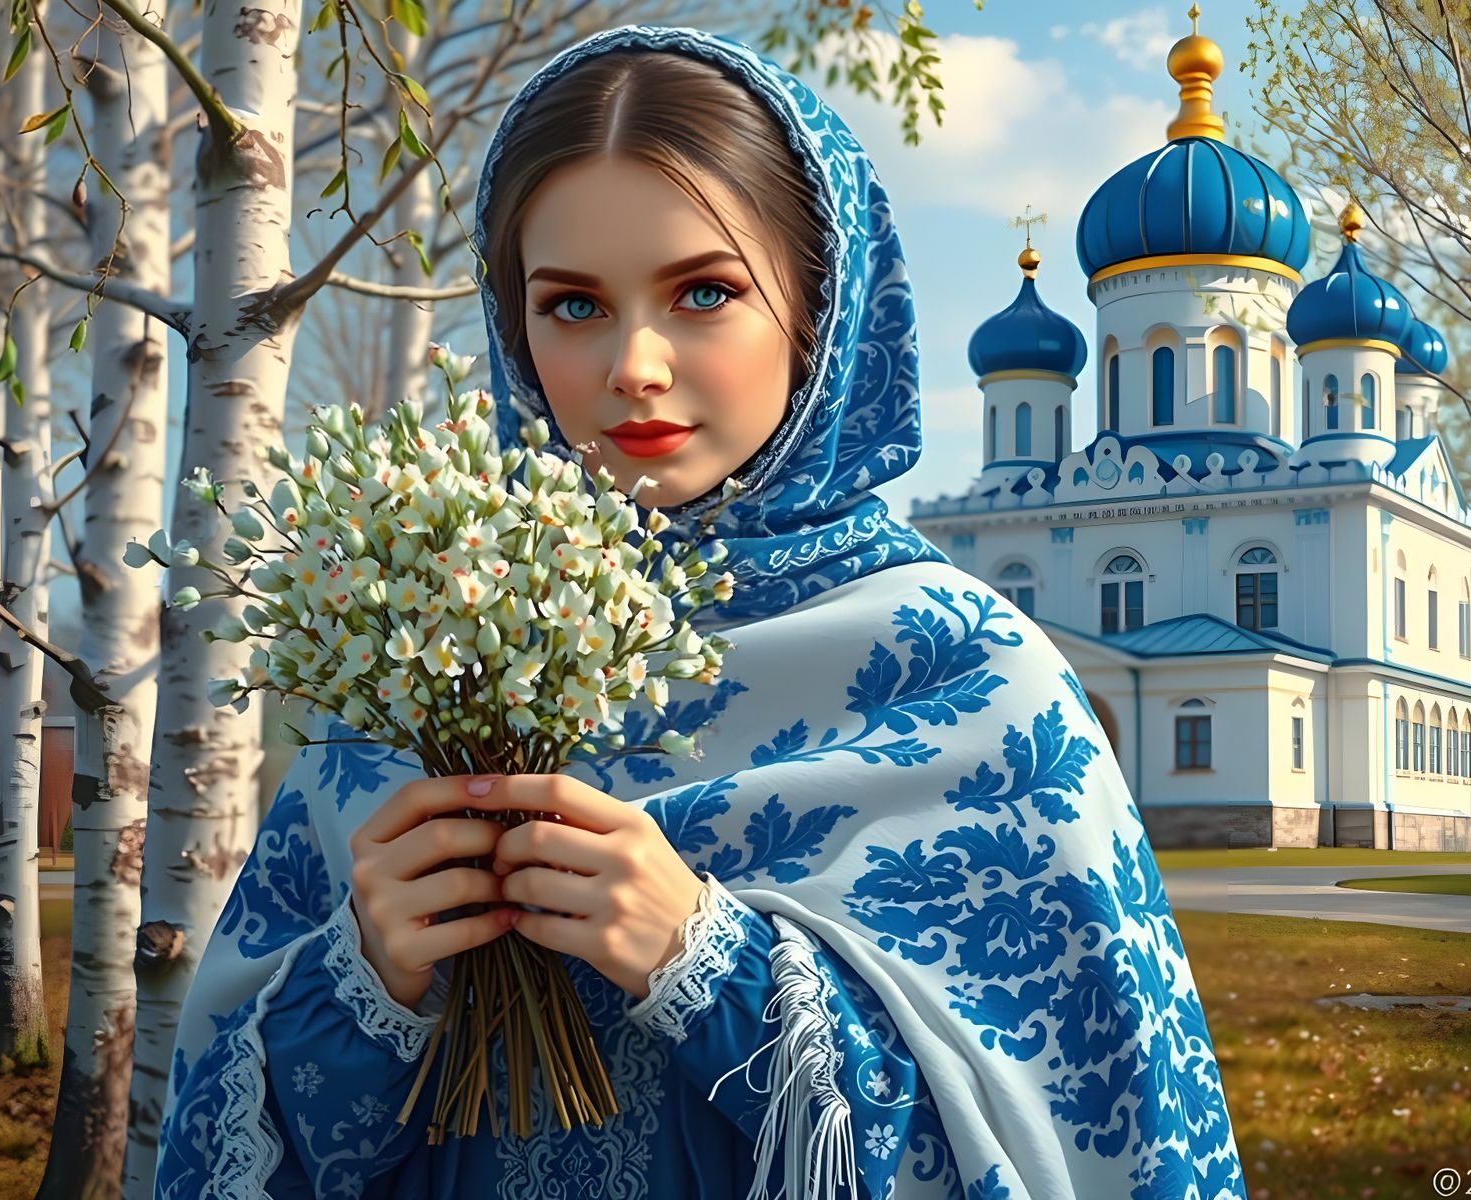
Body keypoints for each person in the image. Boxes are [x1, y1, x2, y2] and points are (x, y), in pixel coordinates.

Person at [154, 23, 1246, 1200]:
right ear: (514, 330)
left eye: (705, 292)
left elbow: (1082, 1130)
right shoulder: (422, 666)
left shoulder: (970, 675)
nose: (635, 364)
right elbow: (238, 1136)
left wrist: (708, 964)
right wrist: (367, 980)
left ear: (820, 313)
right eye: (572, 306)